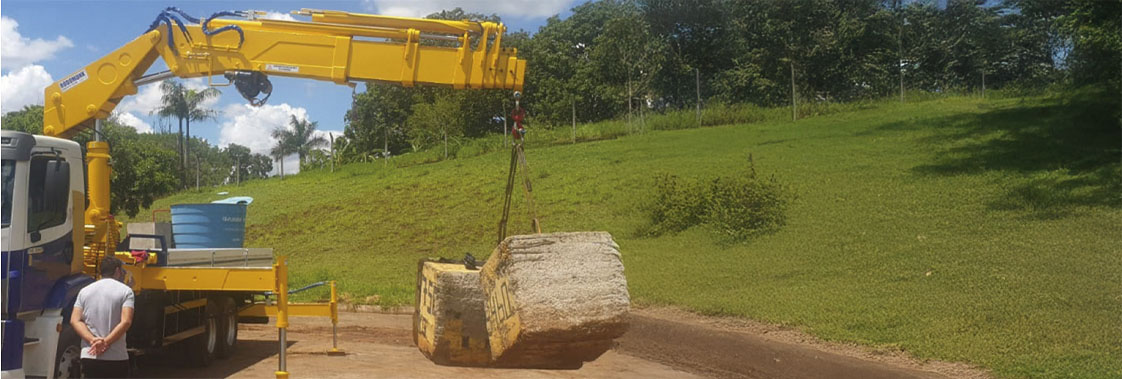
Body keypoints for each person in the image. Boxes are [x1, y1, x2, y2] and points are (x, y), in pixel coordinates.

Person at [71, 256, 135, 378]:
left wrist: (92, 340)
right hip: (116, 357)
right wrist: (105, 342)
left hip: (90, 354)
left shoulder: (84, 291)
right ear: (117, 271)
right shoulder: (126, 291)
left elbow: (75, 320)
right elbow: (126, 321)